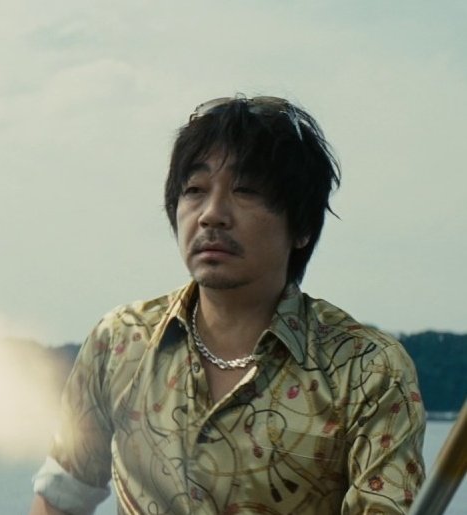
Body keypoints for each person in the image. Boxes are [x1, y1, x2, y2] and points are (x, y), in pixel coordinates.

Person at [29, 95, 426, 514]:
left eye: (245, 191)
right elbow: (62, 494)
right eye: (195, 190)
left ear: (302, 226)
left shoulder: (367, 369)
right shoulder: (121, 341)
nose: (212, 214)